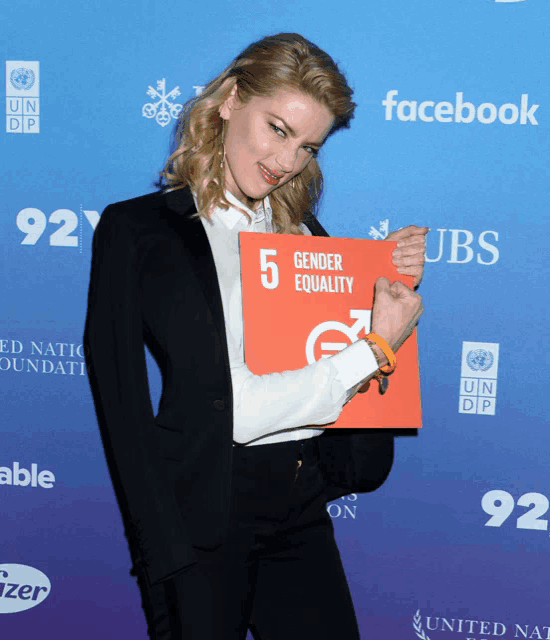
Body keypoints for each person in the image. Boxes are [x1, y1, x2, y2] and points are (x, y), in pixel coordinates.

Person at [84, 32, 427, 640]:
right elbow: (159, 408)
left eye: (306, 145)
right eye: (277, 128)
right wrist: (373, 348)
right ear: (229, 100)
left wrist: (381, 291)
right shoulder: (138, 231)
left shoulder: (304, 234)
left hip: (300, 506)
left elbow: (344, 374)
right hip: (201, 521)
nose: (288, 160)